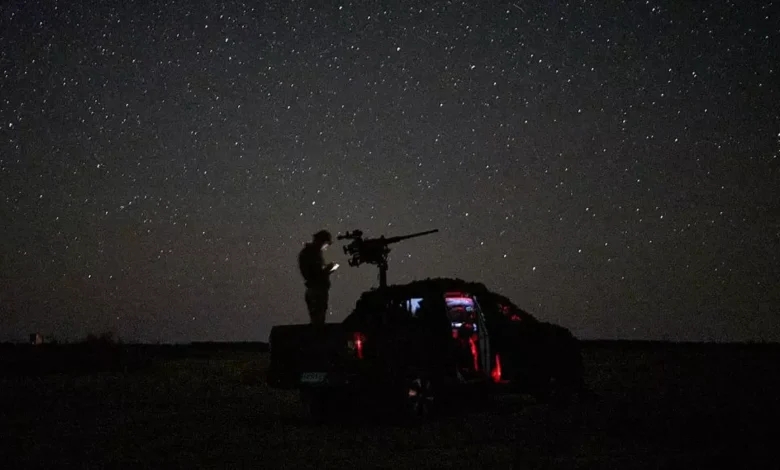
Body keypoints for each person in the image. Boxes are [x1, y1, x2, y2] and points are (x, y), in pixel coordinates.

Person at [298, 229, 338, 326]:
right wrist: (327, 270)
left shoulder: (310, 253)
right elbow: (315, 274)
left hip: (315, 289)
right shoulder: (311, 254)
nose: (326, 247)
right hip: (317, 290)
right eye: (326, 244)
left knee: (318, 319)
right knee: (318, 320)